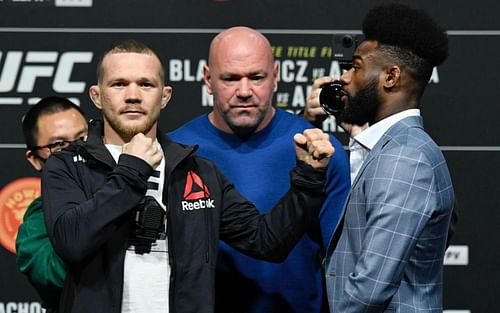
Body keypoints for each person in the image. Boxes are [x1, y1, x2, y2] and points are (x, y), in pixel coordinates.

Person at [41, 39, 335, 313]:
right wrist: (132, 169)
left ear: (165, 96)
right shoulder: (68, 166)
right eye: (119, 84)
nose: (133, 95)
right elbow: (71, 242)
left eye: (146, 84)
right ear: (97, 95)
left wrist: (309, 178)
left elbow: (267, 242)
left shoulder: (197, 170)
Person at [168, 26, 350, 313]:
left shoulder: (320, 151)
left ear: (275, 77)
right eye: (230, 78)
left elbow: (343, 264)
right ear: (207, 79)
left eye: (256, 77)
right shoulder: (175, 152)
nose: (244, 91)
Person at [320, 4, 455, 312]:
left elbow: (367, 293)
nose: (346, 79)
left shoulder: (404, 158)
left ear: (391, 77)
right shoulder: (406, 148)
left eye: (355, 67)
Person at [16, 96, 88, 313]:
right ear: (35, 159)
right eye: (59, 145)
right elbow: (54, 277)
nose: (77, 152)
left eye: (83, 138)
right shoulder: (36, 225)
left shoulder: (130, 188)